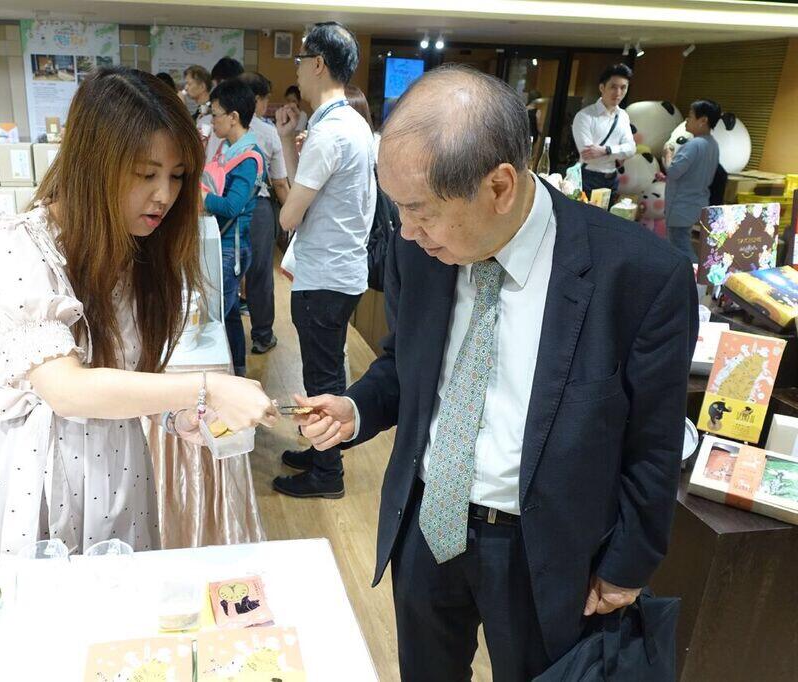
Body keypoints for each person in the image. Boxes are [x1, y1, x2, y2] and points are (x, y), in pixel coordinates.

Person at [290, 65, 697, 681]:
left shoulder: (638, 276)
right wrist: (358, 408)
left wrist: (628, 565)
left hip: (545, 550)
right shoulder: (418, 251)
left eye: (420, 211)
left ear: (500, 186)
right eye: (397, 209)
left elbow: (654, 441)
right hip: (428, 523)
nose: (406, 231)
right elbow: (409, 364)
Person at [0, 67, 277, 563]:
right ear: (95, 162)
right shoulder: (21, 245)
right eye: (146, 174)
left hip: (114, 466)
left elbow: (125, 374)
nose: (165, 195)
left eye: (177, 176)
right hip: (32, 475)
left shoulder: (137, 247)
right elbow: (66, 389)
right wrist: (208, 386)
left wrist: (180, 415)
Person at [272, 21, 376, 499]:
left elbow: (291, 215)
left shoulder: (331, 131)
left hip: (324, 275)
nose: (297, 68)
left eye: (299, 59)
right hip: (342, 271)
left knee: (322, 376)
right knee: (325, 368)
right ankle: (320, 454)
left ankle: (326, 473)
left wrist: (290, 183)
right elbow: (308, 197)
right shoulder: (350, 124)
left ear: (317, 64)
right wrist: (294, 142)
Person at [203, 78, 265, 377]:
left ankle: (226, 377)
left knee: (219, 316)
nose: (212, 120)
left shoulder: (248, 157)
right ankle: (237, 371)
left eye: (215, 114)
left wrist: (201, 197)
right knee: (229, 318)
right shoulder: (226, 148)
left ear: (233, 117)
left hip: (232, 250)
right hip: (222, 244)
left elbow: (232, 206)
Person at [237, 72, 290, 355]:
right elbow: (280, 182)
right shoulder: (267, 132)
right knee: (259, 273)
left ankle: (228, 336)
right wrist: (294, 218)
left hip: (222, 208)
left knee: (226, 272)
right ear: (256, 99)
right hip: (258, 208)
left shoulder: (215, 126)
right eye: (266, 98)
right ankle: (262, 335)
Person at [663, 100, 721, 264]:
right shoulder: (713, 144)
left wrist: (668, 154)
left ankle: (696, 282)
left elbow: (674, 171)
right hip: (696, 203)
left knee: (680, 248)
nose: (687, 120)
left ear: (703, 120)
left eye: (690, 116)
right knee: (681, 244)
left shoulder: (694, 144)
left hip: (681, 205)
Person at [571, 63, 636, 197]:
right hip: (588, 177)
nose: (618, 93)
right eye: (613, 87)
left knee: (605, 217)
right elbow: (587, 152)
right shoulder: (584, 116)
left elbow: (631, 149)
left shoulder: (623, 116)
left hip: (612, 178)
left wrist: (606, 150)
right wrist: (619, 151)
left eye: (623, 88)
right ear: (602, 87)